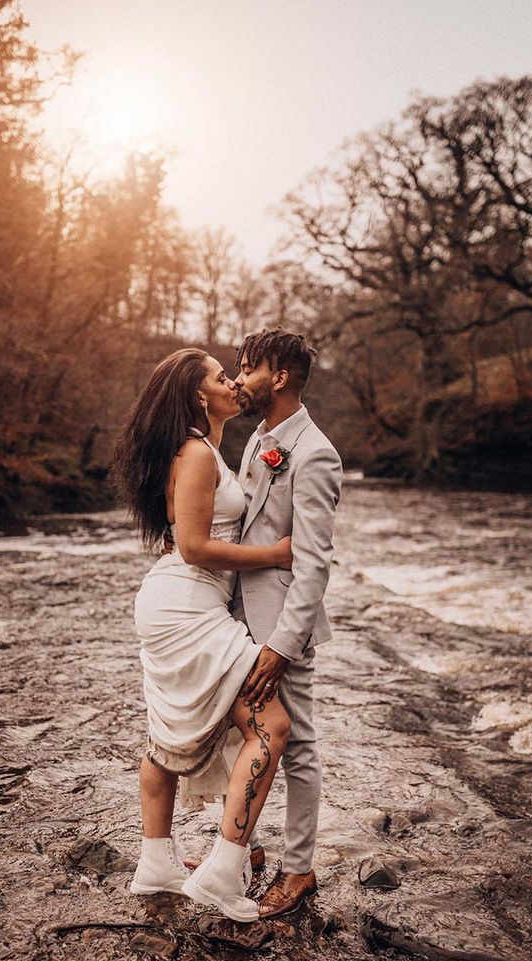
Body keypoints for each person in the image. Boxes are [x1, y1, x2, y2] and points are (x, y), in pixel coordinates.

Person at [114, 348, 294, 922]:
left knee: (166, 733)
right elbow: (193, 547)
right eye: (222, 377)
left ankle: (156, 863)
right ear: (199, 395)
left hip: (180, 602)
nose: (234, 383)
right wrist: (275, 554)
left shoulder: (207, 450)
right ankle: (221, 871)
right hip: (186, 605)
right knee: (271, 725)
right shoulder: (195, 452)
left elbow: (186, 538)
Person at [232, 327, 342, 918]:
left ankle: (298, 870)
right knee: (243, 736)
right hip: (237, 621)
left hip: (281, 630)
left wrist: (282, 645)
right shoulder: (258, 441)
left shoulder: (315, 452)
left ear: (279, 376)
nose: (238, 377)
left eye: (247, 367)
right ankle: (241, 847)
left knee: (297, 747)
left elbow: (313, 562)